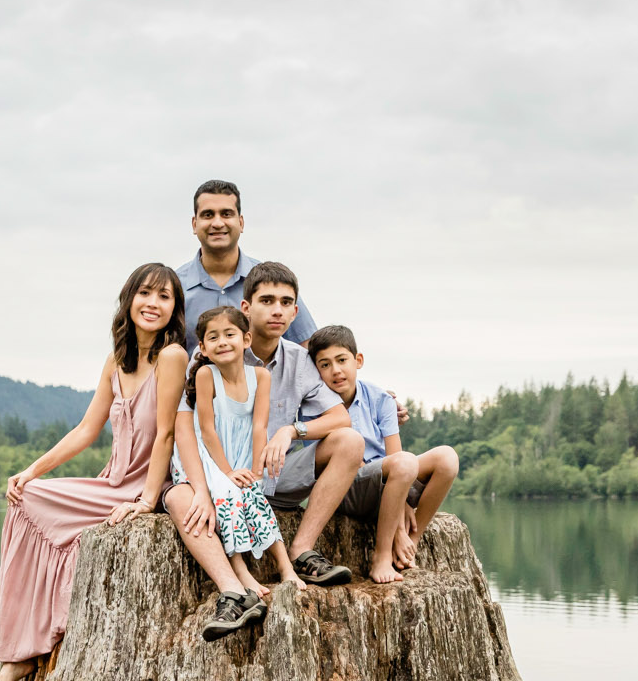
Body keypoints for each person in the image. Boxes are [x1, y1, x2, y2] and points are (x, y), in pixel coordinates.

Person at [0, 262, 189, 681]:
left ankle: (22, 647)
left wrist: (148, 501)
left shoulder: (173, 356)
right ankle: (15, 626)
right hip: (111, 481)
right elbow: (86, 429)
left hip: (143, 485)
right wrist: (31, 470)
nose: (153, 304)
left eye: (164, 297)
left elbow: (167, 433)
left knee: (50, 518)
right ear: (129, 300)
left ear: (175, 308)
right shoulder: (116, 360)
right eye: (145, 294)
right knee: (25, 498)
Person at [165, 261, 362, 589]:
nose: (277, 311)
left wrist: (290, 430)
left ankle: (301, 551)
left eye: (286, 303)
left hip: (272, 470)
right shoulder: (218, 353)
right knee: (187, 497)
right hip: (223, 469)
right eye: (267, 301)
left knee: (349, 441)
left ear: (296, 312)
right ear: (246, 307)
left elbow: (340, 416)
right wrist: (206, 483)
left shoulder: (299, 361)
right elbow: (186, 429)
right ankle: (235, 587)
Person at [173, 306, 302, 634]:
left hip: (243, 453)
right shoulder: (206, 375)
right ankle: (241, 572)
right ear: (202, 348)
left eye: (230, 334)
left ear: (246, 339)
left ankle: (286, 567)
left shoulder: (260, 376)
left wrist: (256, 469)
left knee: (254, 495)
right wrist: (228, 472)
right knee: (229, 495)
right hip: (211, 456)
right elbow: (207, 429)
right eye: (212, 338)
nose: (222, 342)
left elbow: (260, 426)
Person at [307, 324, 460, 583]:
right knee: (402, 464)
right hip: (348, 489)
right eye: (325, 364)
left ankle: (410, 543)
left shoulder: (380, 399)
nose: (336, 370)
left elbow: (396, 457)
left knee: (447, 457)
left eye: (342, 360)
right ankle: (382, 556)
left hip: (389, 480)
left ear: (358, 360)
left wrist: (403, 521)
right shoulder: (314, 402)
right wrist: (399, 522)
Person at [177, 181, 319, 348]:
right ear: (194, 224)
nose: (217, 223)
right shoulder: (174, 287)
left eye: (226, 214)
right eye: (208, 215)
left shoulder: (271, 281)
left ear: (241, 222)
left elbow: (306, 344)